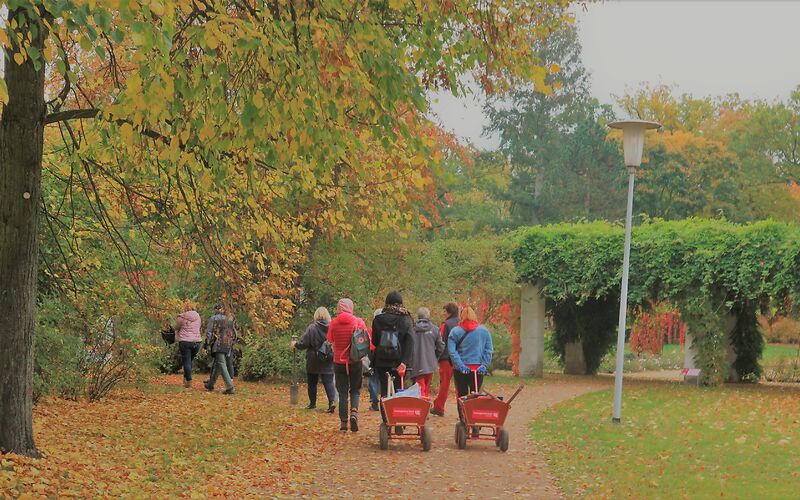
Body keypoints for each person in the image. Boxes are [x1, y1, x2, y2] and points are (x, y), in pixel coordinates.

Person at [327, 298, 368, 432]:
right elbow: (366, 339)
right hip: (355, 361)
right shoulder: (358, 321)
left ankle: (344, 423)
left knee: (342, 392)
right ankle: (354, 413)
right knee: (355, 390)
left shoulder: (334, 323)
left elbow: (329, 340)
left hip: (339, 361)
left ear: (339, 308)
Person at [371, 291, 413, 398]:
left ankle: (385, 412)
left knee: (384, 392)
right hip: (399, 362)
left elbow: (374, 341)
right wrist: (405, 362)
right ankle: (396, 412)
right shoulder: (406, 319)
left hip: (381, 361)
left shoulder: (378, 319)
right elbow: (410, 341)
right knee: (399, 390)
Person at [293, 307, 336, 413]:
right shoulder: (332, 327)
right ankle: (332, 402)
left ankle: (312, 404)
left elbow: (304, 343)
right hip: (328, 357)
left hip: (313, 359)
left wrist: (296, 345)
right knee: (328, 381)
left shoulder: (312, 328)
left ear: (316, 316)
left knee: (312, 382)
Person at [447, 306, 493, 397]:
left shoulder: (455, 331)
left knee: (461, 396)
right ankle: (473, 411)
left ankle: (462, 411)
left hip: (460, 369)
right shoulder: (484, 331)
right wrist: (484, 364)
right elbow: (488, 350)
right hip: (478, 369)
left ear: (461, 316)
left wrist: (460, 365)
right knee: (476, 396)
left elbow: (452, 352)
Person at [410, 307, 445, 400]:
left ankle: (421, 407)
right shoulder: (435, 329)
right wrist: (435, 356)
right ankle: (424, 406)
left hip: (416, 362)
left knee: (419, 386)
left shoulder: (412, 329)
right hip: (430, 363)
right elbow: (441, 346)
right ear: (428, 316)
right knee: (426, 386)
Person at [432, 302, 460, 416]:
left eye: (444, 311)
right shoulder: (461, 323)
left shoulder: (446, 324)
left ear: (449, 312)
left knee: (444, 383)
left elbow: (441, 342)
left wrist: (437, 357)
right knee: (460, 385)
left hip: (446, 358)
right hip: (460, 358)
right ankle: (462, 409)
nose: (443, 313)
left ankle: (439, 407)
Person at [203, 304, 237, 394]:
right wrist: (231, 342)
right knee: (218, 364)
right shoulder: (229, 319)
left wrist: (206, 344)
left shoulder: (214, 318)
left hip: (218, 344)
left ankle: (230, 387)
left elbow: (209, 333)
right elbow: (234, 333)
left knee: (222, 364)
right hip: (228, 344)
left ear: (216, 310)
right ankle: (211, 384)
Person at [175, 301, 202, 388]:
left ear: (185, 308)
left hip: (185, 341)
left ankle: (189, 380)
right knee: (189, 361)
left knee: (187, 361)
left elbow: (176, 327)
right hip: (197, 342)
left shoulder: (181, 317)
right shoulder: (198, 317)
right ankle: (186, 378)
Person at [365, 308, 382, 411]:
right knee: (385, 379)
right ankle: (385, 401)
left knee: (372, 379)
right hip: (385, 356)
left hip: (372, 356)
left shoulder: (371, 330)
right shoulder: (387, 329)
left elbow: (369, 345)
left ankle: (374, 401)